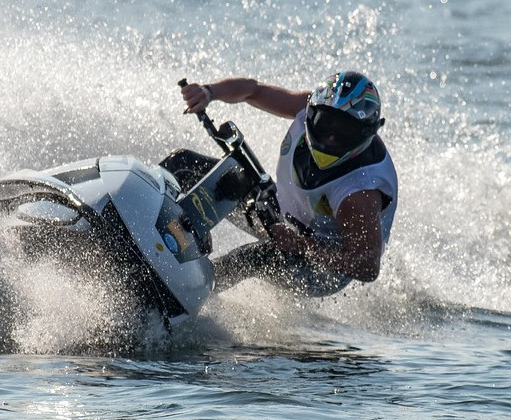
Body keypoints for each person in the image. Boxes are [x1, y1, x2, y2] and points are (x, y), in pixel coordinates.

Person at [168, 71, 398, 297]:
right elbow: (252, 90)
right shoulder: (308, 105)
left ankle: (182, 295)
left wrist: (301, 245)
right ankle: (145, 219)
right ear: (312, 112)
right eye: (325, 124)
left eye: (344, 131)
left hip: (320, 267)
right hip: (277, 215)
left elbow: (367, 267)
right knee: (184, 164)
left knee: (255, 256)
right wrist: (209, 92)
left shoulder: (360, 193)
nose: (330, 138)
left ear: (366, 134)